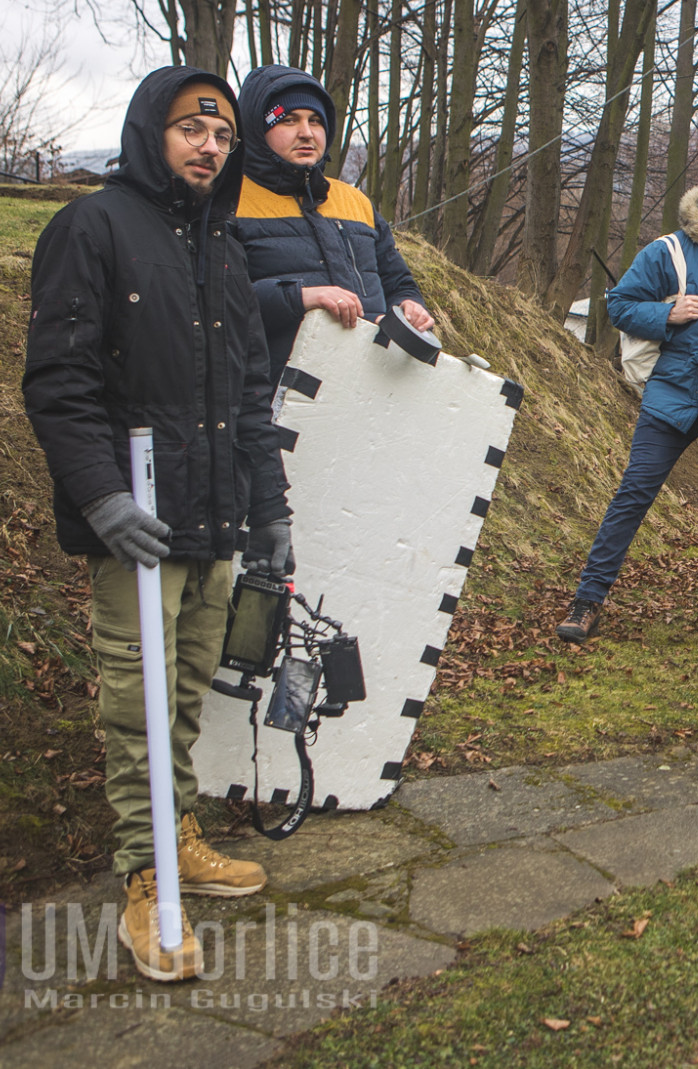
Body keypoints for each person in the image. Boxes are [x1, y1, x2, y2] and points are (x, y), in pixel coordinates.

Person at [23, 68, 293, 982]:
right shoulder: (92, 227)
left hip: (214, 519)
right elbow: (60, 382)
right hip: (137, 523)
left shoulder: (225, 249)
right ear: (153, 132)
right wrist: (102, 499)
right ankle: (148, 879)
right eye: (190, 130)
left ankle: (178, 838)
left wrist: (271, 510)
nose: (209, 147)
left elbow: (251, 395)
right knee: (135, 713)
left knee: (182, 703)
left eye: (220, 135)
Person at [557, 159, 698, 642]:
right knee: (633, 494)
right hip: (672, 395)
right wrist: (666, 313)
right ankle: (588, 600)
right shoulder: (669, 250)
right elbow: (618, 305)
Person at [231, 65, 432, 373]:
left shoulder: (355, 200)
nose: (306, 133)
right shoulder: (229, 203)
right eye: (288, 120)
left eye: (315, 121)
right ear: (258, 130)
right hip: (273, 392)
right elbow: (221, 304)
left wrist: (409, 307)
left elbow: (398, 281)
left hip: (369, 382)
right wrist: (300, 297)